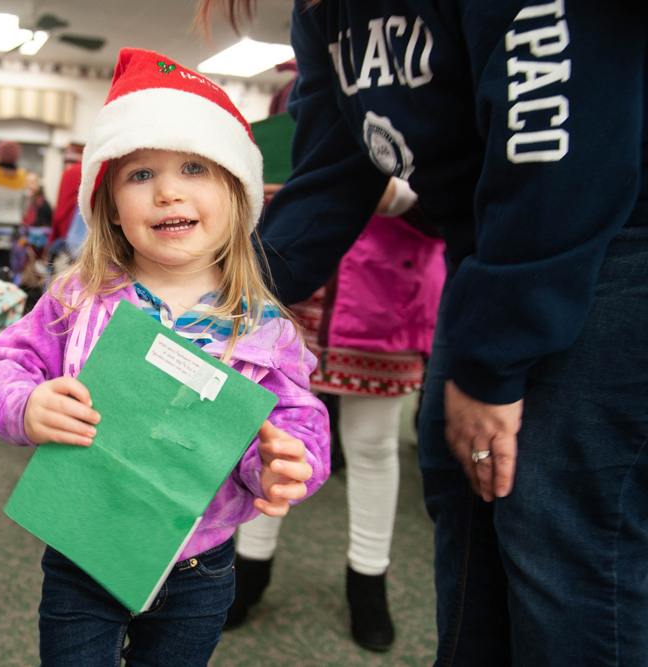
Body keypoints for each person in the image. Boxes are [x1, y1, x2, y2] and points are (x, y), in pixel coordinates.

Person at [198, 1, 648, 664]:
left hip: (600, 247)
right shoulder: (324, 13)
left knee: (562, 541)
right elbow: (330, 173)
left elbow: (557, 149)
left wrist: (494, 360)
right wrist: (216, 298)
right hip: (489, 263)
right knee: (468, 520)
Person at [0, 48, 331, 666]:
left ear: (238, 194)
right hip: (84, 546)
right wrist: (26, 403)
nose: (168, 191)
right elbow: (4, 365)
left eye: (195, 167)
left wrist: (279, 464)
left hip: (199, 566)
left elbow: (296, 424)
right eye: (141, 174)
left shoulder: (266, 330)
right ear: (110, 203)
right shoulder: (76, 298)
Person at [226, 178, 445, 653]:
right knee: (265, 432)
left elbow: (459, 196)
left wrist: (404, 198)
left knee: (371, 446)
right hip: (297, 278)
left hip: (385, 285)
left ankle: (368, 580)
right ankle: (249, 566)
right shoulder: (304, 101)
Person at [48, 142, 84, 244]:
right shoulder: (94, 170)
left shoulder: (69, 173)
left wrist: (52, 239)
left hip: (70, 235)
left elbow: (60, 211)